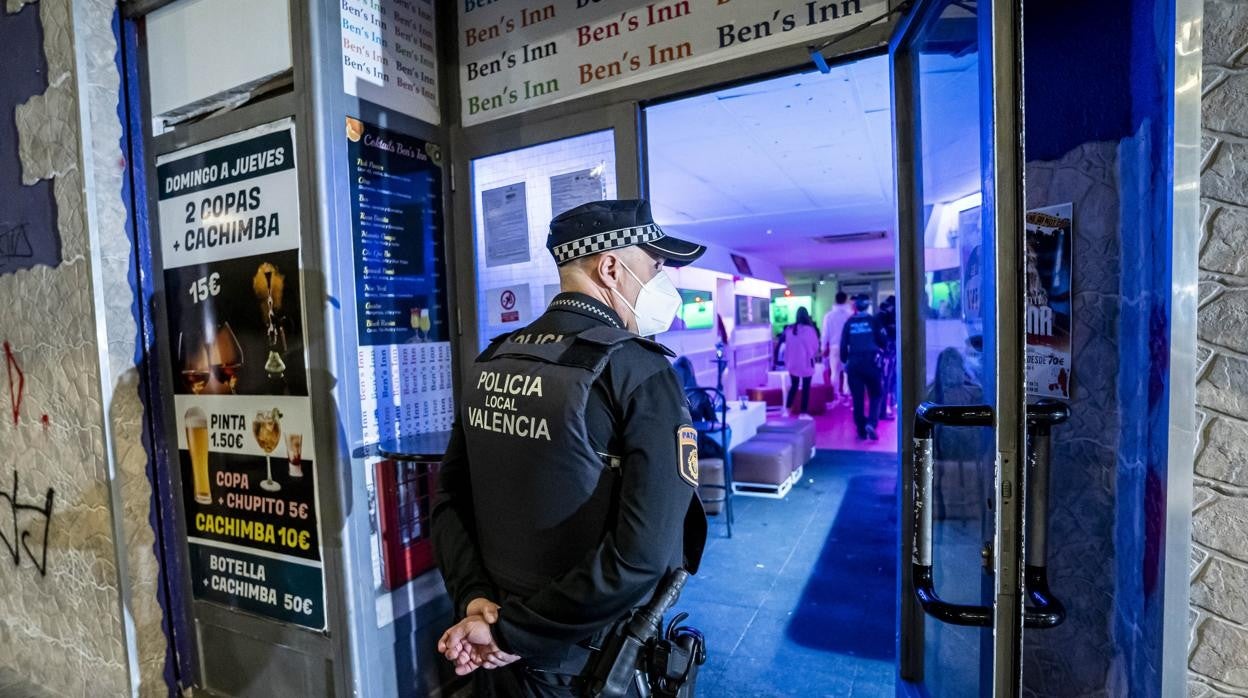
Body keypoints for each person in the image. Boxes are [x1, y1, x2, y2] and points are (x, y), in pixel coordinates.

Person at [431, 199, 708, 697]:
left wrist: (476, 600)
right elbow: (643, 556)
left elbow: (449, 500)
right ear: (610, 267)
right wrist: (511, 632)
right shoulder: (639, 373)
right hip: (589, 665)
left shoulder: (495, 358)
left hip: (498, 655)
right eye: (656, 265)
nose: (665, 280)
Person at [840, 295, 888, 440]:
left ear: (856, 306)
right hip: (871, 362)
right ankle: (871, 423)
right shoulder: (873, 321)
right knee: (876, 394)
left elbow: (843, 345)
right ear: (867, 306)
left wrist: (844, 361)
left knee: (857, 398)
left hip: (854, 363)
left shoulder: (849, 323)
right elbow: (882, 340)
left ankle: (861, 430)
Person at [781, 307, 820, 418]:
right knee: (806, 388)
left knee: (794, 386)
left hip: (793, 362)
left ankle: (787, 410)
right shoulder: (810, 330)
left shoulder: (790, 329)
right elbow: (814, 346)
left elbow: (787, 346)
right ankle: (803, 412)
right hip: (806, 362)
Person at [821, 291, 854, 402]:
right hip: (849, 346)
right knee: (848, 372)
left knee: (834, 372)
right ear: (846, 300)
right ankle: (847, 393)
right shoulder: (850, 315)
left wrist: (823, 347)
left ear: (835, 300)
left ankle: (835, 394)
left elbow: (825, 333)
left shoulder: (828, 316)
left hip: (834, 347)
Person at [875, 295, 898, 420]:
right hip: (887, 354)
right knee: (886, 381)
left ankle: (882, 409)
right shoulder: (885, 317)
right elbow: (888, 336)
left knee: (884, 382)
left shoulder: (879, 316)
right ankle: (882, 411)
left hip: (880, 354)